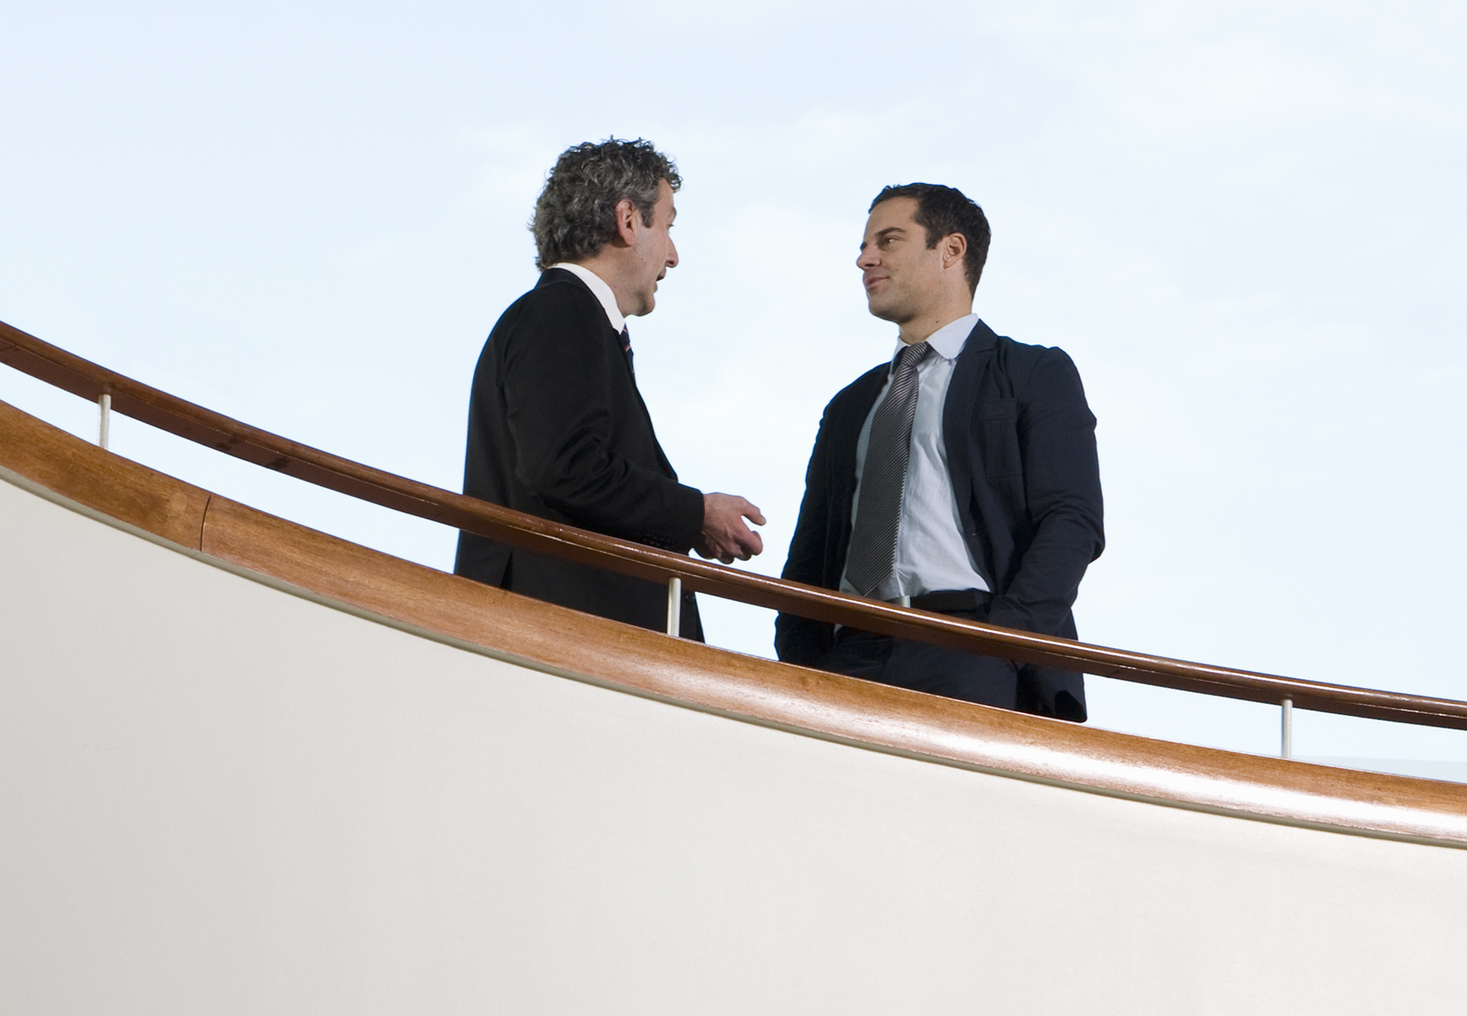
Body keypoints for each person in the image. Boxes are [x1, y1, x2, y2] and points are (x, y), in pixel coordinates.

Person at [775, 183, 1105, 718]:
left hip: (972, 651)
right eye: (865, 245)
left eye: (888, 240)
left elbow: (1072, 521)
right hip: (846, 656)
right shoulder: (851, 405)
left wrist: (1004, 646)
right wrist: (804, 656)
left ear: (951, 251)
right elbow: (811, 552)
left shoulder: (1032, 375)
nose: (865, 259)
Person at [457, 138, 767, 637]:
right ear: (627, 220)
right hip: (562, 634)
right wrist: (696, 513)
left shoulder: (569, 318)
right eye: (666, 226)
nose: (673, 255)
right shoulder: (562, 312)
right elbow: (565, 468)